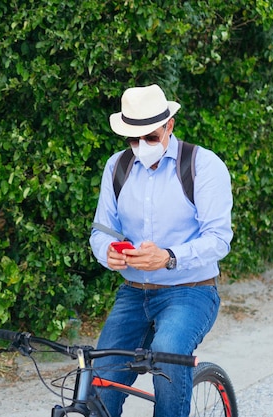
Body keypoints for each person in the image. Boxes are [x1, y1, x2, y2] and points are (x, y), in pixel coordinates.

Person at [89, 84, 233, 417]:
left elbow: (219, 239)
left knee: (168, 351)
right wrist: (107, 251)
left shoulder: (203, 166)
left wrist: (168, 257)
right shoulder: (117, 167)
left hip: (191, 292)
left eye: (150, 138)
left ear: (169, 125)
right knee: (101, 378)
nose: (141, 147)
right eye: (133, 140)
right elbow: (101, 230)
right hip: (133, 293)